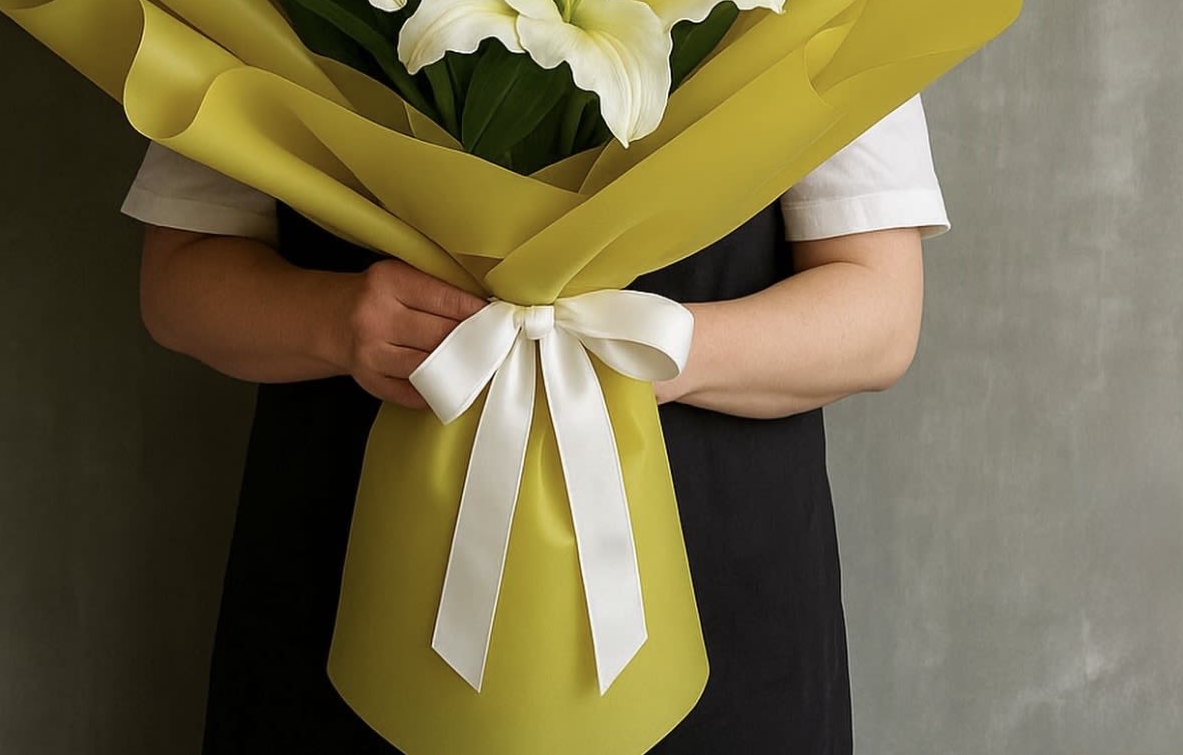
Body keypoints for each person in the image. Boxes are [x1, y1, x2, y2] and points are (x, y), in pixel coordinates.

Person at [124, 93, 948, 754]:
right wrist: (337, 318)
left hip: (718, 604)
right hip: (345, 593)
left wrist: (660, 347)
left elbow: (879, 312)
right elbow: (181, 277)